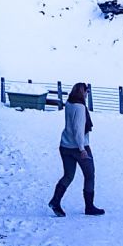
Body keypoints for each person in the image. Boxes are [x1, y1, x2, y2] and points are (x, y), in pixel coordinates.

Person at [48, 82, 105, 217]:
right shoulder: (80, 107)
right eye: (86, 91)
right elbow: (78, 130)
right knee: (89, 175)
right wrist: (82, 149)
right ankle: (89, 207)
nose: (87, 94)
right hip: (79, 148)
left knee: (68, 175)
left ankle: (55, 201)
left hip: (65, 145)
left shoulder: (69, 104)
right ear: (82, 92)